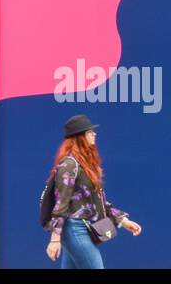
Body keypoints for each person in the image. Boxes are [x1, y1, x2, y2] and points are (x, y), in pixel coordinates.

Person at [45, 115, 142, 268]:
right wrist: (55, 239)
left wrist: (123, 221)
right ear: (80, 137)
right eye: (90, 132)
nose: (94, 134)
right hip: (74, 229)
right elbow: (60, 203)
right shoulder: (69, 165)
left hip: (84, 228)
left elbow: (100, 202)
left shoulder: (86, 165)